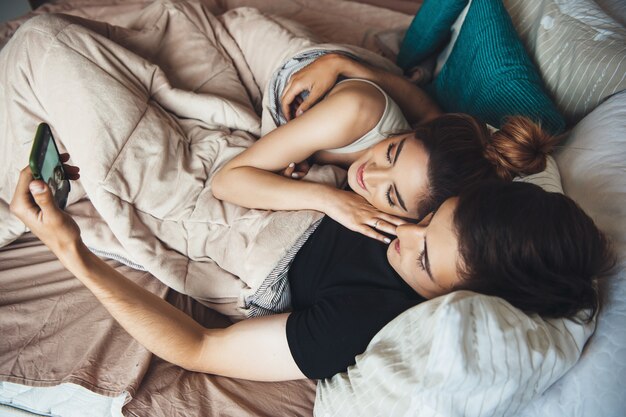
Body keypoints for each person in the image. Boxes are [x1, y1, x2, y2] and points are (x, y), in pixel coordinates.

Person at [10, 159, 612, 381]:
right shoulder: (447, 210)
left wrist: (73, 255)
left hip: (214, 231)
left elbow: (199, 348)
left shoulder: (360, 322)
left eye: (425, 256)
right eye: (429, 219)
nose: (404, 232)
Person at [211, 52, 559, 244]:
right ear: (414, 133)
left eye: (391, 195)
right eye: (391, 153)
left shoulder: (427, 196)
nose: (370, 174)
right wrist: (329, 199)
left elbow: (430, 114)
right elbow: (226, 181)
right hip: (293, 69)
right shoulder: (352, 114)